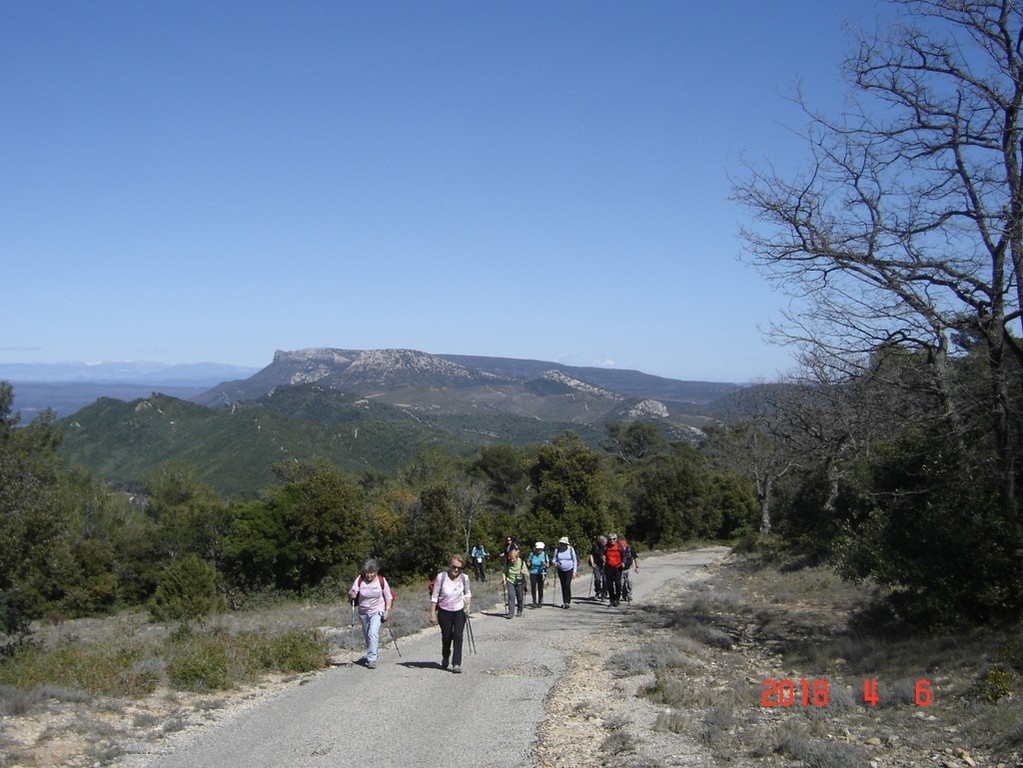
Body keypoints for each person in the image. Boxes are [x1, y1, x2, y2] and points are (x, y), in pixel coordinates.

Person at [429, 554, 472, 673]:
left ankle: (456, 663)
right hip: (444, 611)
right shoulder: (441, 577)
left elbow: (467, 593)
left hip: (459, 611)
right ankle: (445, 656)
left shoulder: (464, 578)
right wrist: (432, 613)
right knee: (447, 637)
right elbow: (435, 596)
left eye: (459, 567)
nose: (456, 570)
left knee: (458, 636)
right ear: (449, 565)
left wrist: (468, 606)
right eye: (454, 566)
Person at [347, 558, 393, 669]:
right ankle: (374, 651)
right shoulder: (360, 580)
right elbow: (353, 592)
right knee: (368, 635)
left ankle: (371, 659)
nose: (369, 575)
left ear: (376, 572)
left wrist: (387, 611)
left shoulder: (381, 581)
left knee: (373, 633)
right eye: (367, 572)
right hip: (363, 612)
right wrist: (352, 594)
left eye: (371, 573)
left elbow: (388, 596)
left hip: (377, 611)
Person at [501, 545, 529, 618]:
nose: (512, 560)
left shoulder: (522, 562)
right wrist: (503, 579)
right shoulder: (508, 563)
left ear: (517, 557)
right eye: (511, 559)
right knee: (511, 596)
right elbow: (504, 572)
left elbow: (527, 573)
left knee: (520, 597)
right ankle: (511, 613)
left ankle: (520, 610)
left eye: (513, 559)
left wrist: (523, 572)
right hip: (510, 580)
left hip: (519, 582)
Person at [551, 536, 579, 608]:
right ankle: (564, 601)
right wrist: (555, 563)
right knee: (563, 585)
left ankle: (567, 601)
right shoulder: (557, 550)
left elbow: (574, 560)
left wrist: (574, 571)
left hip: (569, 569)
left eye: (564, 544)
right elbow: (554, 559)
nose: (562, 545)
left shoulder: (571, 549)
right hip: (560, 570)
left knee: (567, 584)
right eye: (561, 544)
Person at [603, 533, 626, 607]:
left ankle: (617, 599)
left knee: (618, 584)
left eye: (613, 539)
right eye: (610, 539)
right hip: (608, 567)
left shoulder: (619, 546)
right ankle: (612, 600)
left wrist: (623, 562)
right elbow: (603, 554)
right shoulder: (606, 547)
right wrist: (602, 558)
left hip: (618, 567)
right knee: (609, 584)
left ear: (616, 539)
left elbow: (624, 555)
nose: (612, 540)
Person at [527, 542, 550, 607]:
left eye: (540, 549)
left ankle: (540, 601)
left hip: (541, 572)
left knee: (540, 587)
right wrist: (528, 563)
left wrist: (544, 564)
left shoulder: (545, 555)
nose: (539, 550)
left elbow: (548, 565)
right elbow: (528, 560)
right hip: (533, 572)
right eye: (538, 549)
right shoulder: (532, 554)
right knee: (533, 586)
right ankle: (534, 601)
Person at [620, 537, 639, 602]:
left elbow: (636, 558)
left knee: (629, 582)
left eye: (623, 543)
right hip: (620, 569)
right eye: (620, 543)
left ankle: (629, 595)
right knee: (621, 583)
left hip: (629, 568)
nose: (622, 545)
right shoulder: (617, 550)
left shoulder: (630, 550)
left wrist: (637, 567)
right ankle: (623, 596)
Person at [589, 535, 608, 600]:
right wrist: (592, 563)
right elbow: (591, 554)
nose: (605, 543)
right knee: (597, 579)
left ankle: (604, 593)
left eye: (605, 542)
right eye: (603, 542)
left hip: (606, 565)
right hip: (597, 565)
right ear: (600, 542)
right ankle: (598, 591)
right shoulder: (595, 546)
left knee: (605, 580)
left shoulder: (608, 546)